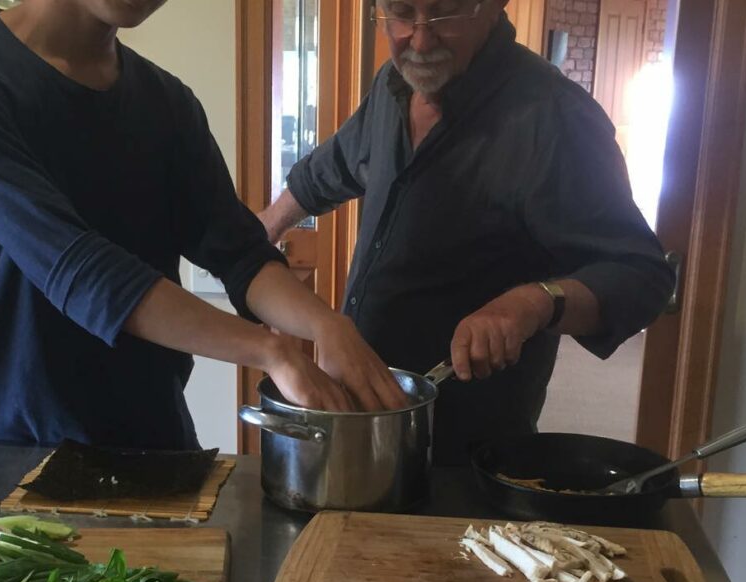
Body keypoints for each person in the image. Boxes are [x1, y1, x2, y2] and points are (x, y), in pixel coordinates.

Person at [0, 0, 406, 451]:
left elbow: (241, 253)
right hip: (15, 451)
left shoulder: (167, 101)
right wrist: (271, 350)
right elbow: (78, 268)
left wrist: (327, 325)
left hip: (156, 443)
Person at [259, 0, 675, 465]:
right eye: (400, 11)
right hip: (365, 423)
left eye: (444, 12)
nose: (419, 38)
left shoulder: (553, 116)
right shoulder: (393, 85)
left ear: (493, 7)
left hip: (468, 446)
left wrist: (534, 302)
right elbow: (333, 166)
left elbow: (641, 276)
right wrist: (263, 233)